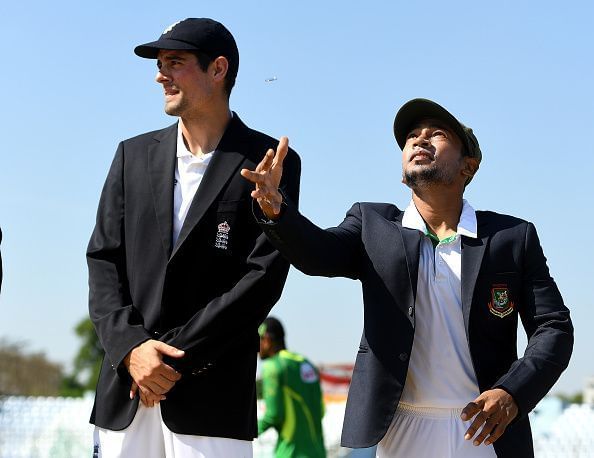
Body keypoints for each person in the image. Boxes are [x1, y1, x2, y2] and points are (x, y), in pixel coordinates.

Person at [240, 98, 573, 457]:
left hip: (486, 426)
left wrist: (513, 393)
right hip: (402, 428)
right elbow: (318, 253)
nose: (420, 140)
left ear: (468, 166)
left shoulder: (511, 237)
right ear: (402, 172)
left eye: (437, 134)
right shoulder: (372, 225)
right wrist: (277, 210)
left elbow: (553, 326)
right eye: (412, 136)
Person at [87, 18, 300, 457]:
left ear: (218, 69)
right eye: (160, 63)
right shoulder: (131, 154)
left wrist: (166, 361)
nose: (160, 74)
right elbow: (103, 261)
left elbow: (262, 279)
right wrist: (132, 351)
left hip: (212, 400)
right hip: (124, 393)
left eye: (175, 62)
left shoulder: (271, 163)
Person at [258, 316, 326, 458]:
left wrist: (247, 430)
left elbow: (273, 415)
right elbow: (321, 411)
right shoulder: (308, 364)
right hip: (318, 452)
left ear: (267, 339)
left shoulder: (273, 367)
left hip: (291, 453)